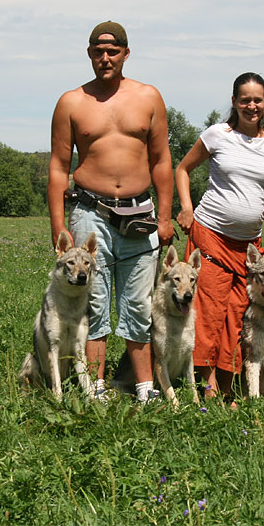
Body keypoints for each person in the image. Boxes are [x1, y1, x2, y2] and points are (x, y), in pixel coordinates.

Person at [48, 21, 174, 403]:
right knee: (95, 301)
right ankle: (96, 388)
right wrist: (59, 229)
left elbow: (162, 160)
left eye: (113, 51)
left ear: (125, 53)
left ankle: (145, 388)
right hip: (90, 213)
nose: (105, 58)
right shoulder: (71, 102)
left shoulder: (149, 97)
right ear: (89, 54)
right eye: (98, 52)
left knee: (138, 305)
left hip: (140, 216)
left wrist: (166, 217)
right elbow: (57, 167)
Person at [176, 72, 264, 404]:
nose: (252, 106)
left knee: (237, 315)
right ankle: (206, 386)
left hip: (248, 247)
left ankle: (228, 387)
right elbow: (182, 170)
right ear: (235, 102)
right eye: (245, 100)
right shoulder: (217, 135)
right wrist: (185, 207)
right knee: (209, 313)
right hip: (210, 236)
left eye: (258, 99)